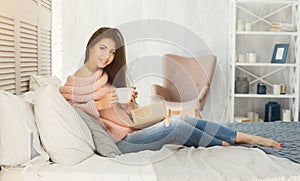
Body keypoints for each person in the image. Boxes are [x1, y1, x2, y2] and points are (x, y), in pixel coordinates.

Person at [59, 27, 282, 154]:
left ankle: (242, 137)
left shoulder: (104, 76)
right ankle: (225, 145)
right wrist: (99, 105)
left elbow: (122, 117)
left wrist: (129, 104)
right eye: (102, 48)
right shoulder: (74, 83)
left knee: (185, 119)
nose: (107, 56)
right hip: (121, 143)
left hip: (130, 130)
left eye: (112, 52)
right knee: (176, 126)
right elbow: (72, 113)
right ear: (90, 46)